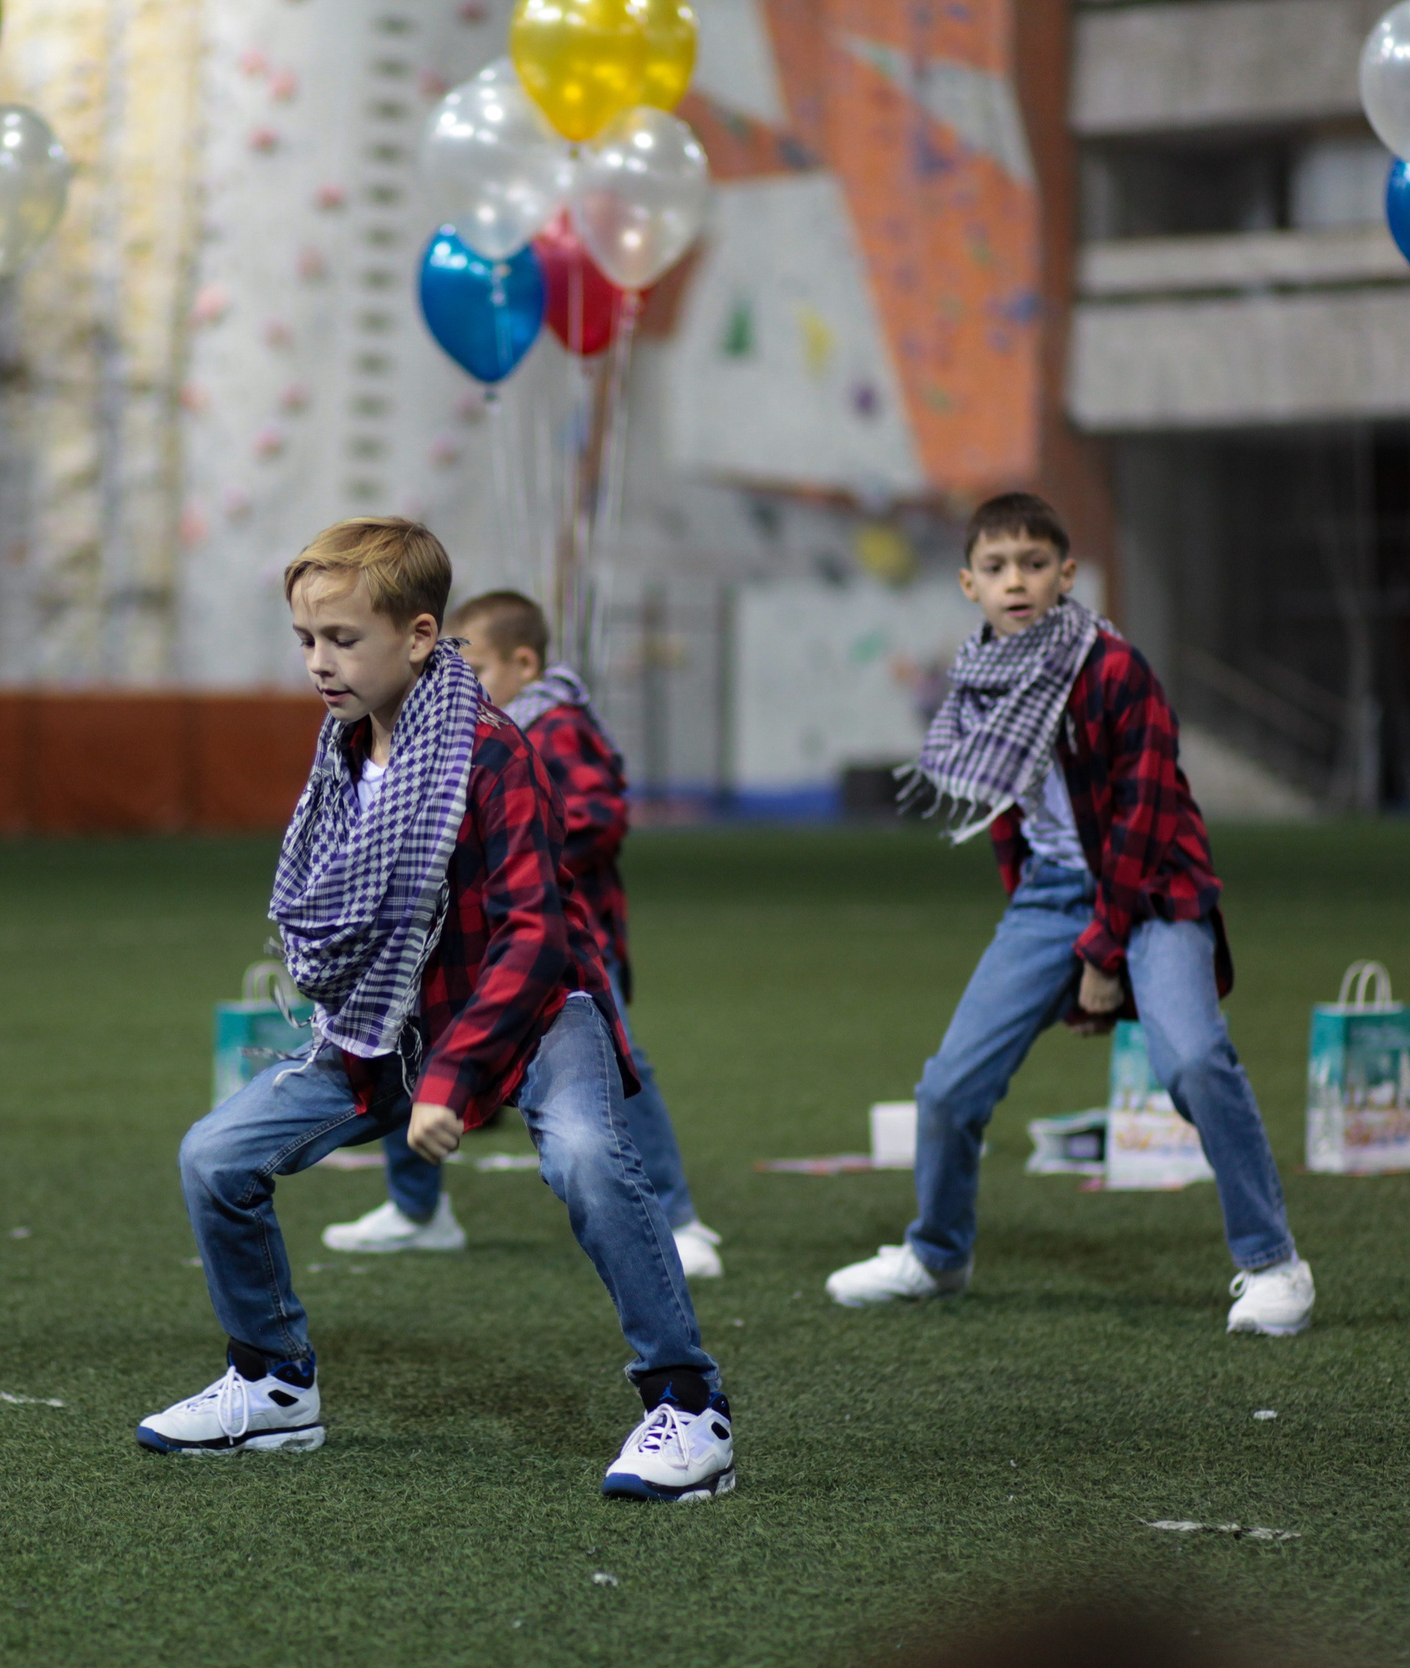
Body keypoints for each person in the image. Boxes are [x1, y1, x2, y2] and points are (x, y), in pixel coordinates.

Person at [140, 517, 735, 1500]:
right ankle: (273, 1384)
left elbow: (533, 935)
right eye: (305, 642)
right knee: (215, 1154)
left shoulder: (493, 753)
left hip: (536, 1013)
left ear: (420, 637)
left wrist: (452, 1079)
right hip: (392, 1022)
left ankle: (686, 1405)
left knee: (587, 1156)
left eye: (342, 640)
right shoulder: (344, 748)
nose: (320, 664)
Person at [823, 493, 1315, 1335]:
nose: (1017, 580)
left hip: (1154, 884)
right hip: (1052, 894)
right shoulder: (979, 680)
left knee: (1194, 1061)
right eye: (997, 567)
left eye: (1035, 563)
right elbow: (1003, 811)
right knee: (948, 1088)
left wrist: (1099, 953)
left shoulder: (1115, 670)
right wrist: (1047, 942)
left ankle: (1275, 1264)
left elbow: (1145, 815)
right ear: (969, 584)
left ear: (1067, 574)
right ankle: (938, 1255)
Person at [322, 588, 726, 1278]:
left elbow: (600, 815)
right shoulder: (461, 734)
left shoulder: (553, 725)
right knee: (400, 1044)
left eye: (474, 672)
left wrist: (519, 843)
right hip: (473, 939)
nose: (456, 686)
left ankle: (679, 1219)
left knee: (620, 1070)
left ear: (525, 663)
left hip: (565, 950)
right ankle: (418, 1209)